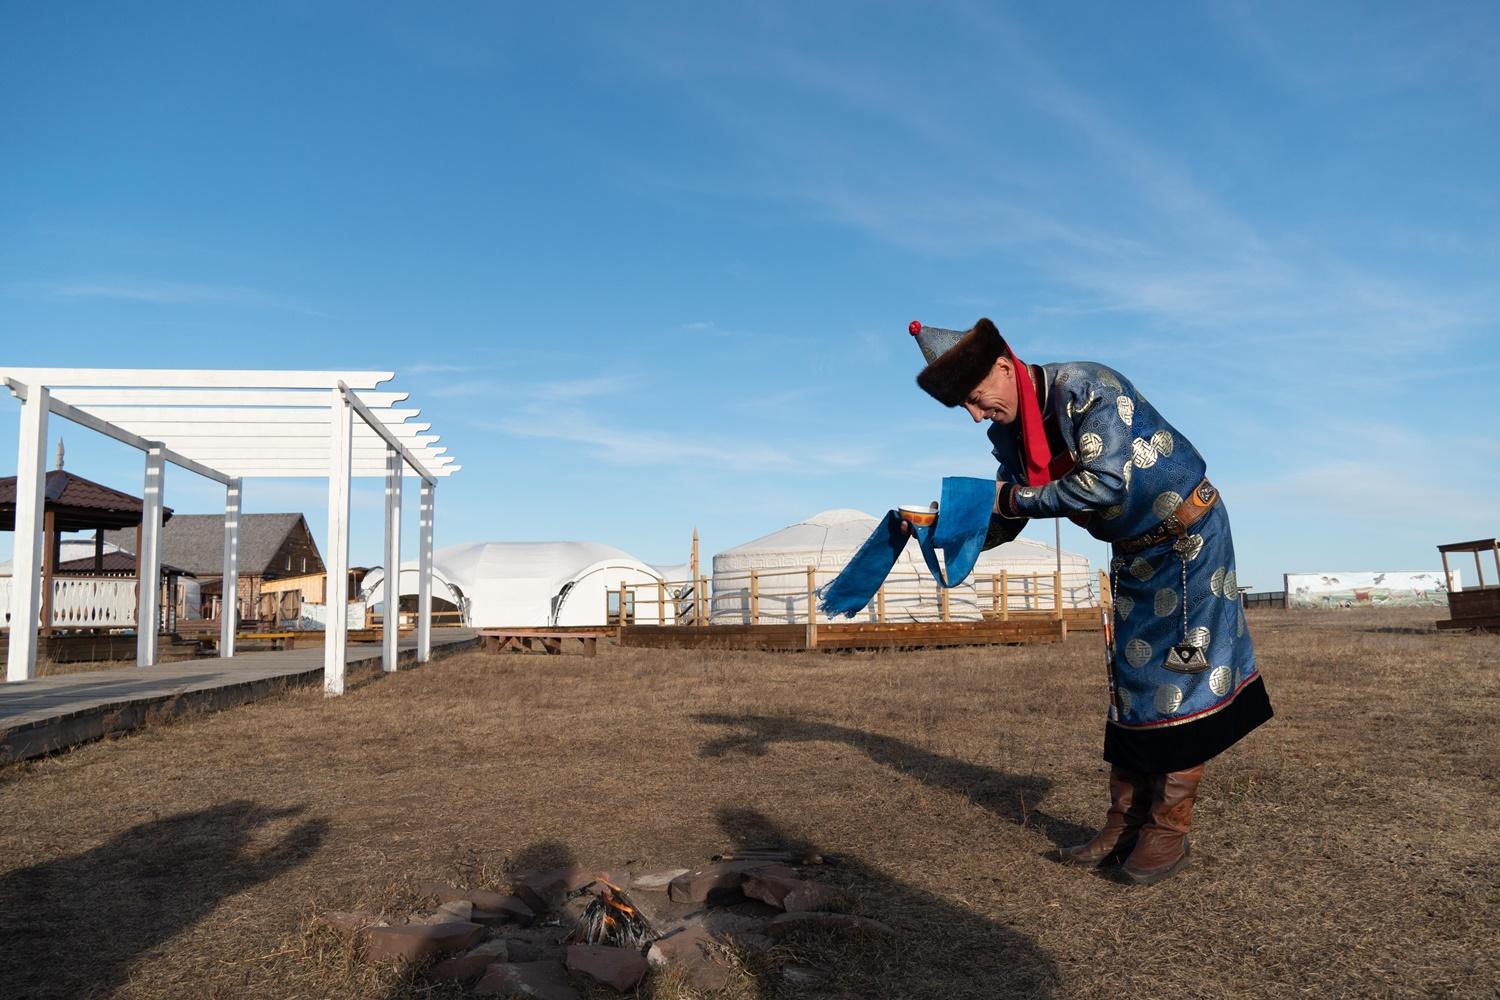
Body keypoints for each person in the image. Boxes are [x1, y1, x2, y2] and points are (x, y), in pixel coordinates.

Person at [909, 317, 1273, 885]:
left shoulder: (1087, 388)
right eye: (966, 409)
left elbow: (1104, 484)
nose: (977, 416)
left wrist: (1008, 496)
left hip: (1188, 540)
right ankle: (1123, 822)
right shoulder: (1013, 435)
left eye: (977, 399)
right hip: (1133, 553)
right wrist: (944, 528)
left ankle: (1169, 830)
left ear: (1004, 366)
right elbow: (1010, 514)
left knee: (1182, 677)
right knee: (1130, 684)